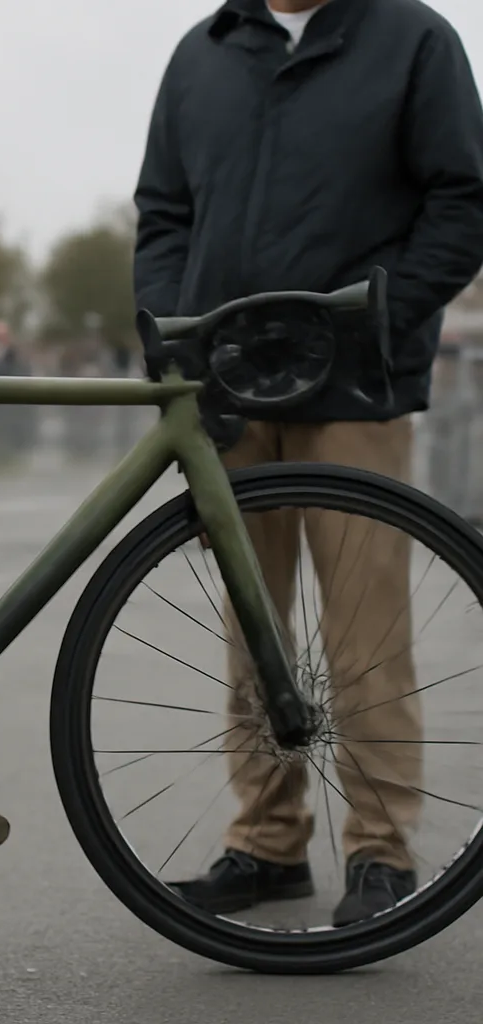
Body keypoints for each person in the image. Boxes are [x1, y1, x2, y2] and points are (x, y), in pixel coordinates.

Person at [132, 0, 483, 925]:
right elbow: (164, 214)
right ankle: (267, 843)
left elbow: (463, 199)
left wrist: (374, 317)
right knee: (253, 628)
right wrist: (174, 339)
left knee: (366, 630)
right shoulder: (200, 55)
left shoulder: (413, 39)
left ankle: (381, 851)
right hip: (230, 381)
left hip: (354, 384)